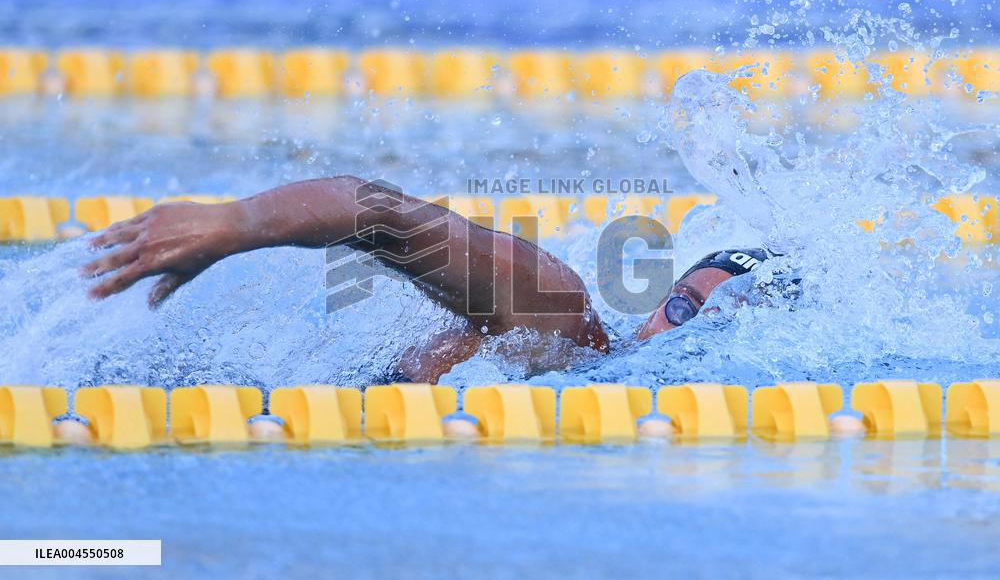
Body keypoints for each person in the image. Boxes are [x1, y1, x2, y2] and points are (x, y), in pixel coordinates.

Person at [81, 176, 770, 383]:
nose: (681, 339)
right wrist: (239, 222)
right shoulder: (564, 322)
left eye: (713, 328)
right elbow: (386, 214)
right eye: (680, 308)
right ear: (655, 305)